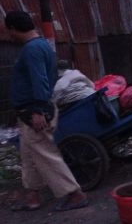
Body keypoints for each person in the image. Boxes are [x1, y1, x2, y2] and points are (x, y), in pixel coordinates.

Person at [5, 11, 89, 212]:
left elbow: (40, 80)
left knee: (44, 154)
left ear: (13, 29)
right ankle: (32, 196)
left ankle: (75, 194)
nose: (9, 35)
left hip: (35, 111)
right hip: (29, 111)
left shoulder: (31, 50)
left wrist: (38, 111)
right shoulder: (42, 45)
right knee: (29, 155)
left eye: (8, 30)